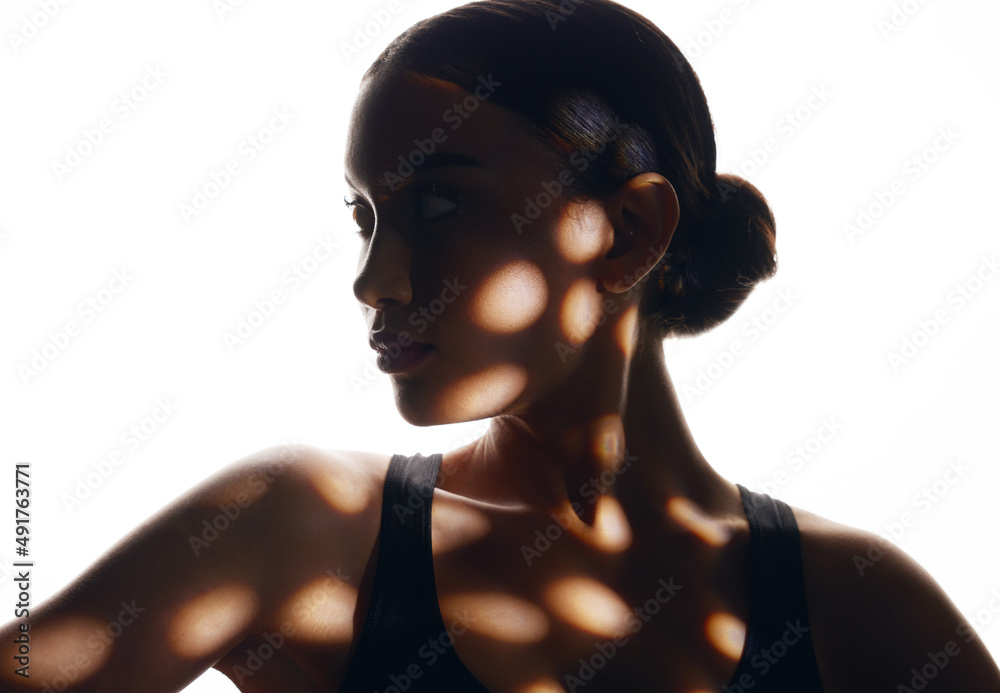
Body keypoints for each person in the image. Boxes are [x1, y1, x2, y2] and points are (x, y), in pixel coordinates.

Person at [3, 0, 999, 691]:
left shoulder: (856, 602)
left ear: (629, 233)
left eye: (437, 203)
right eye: (366, 218)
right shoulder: (300, 530)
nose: (372, 282)